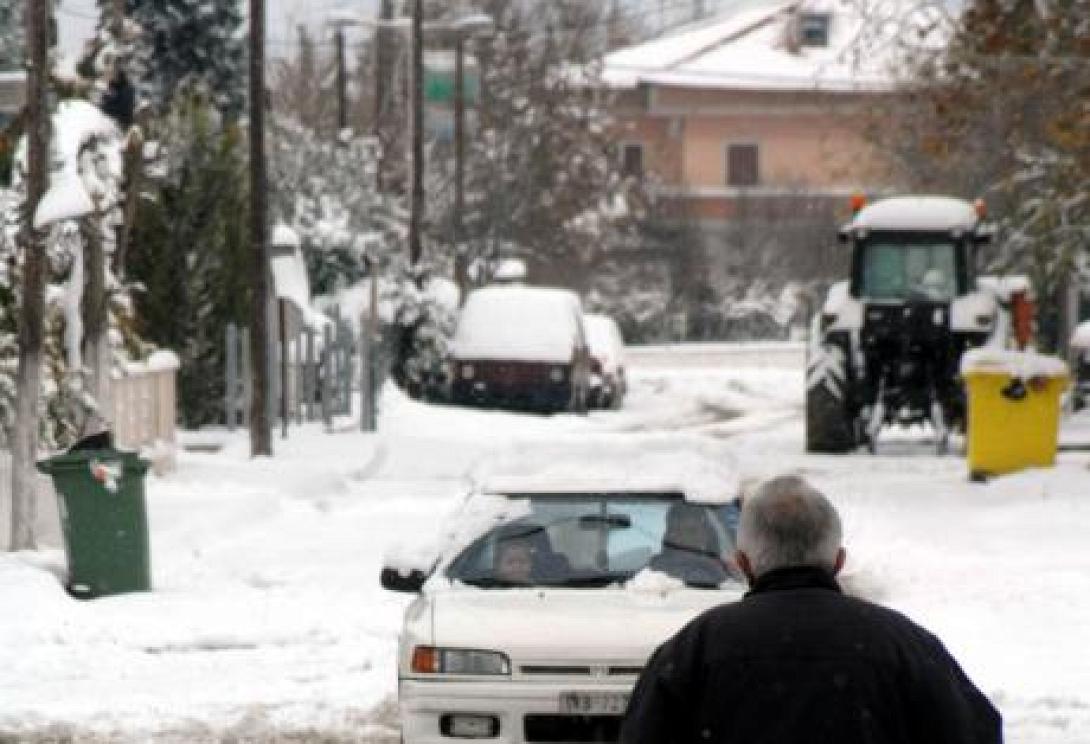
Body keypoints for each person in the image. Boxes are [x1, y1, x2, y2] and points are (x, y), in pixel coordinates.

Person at [621, 475, 1002, 744]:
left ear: (743, 563)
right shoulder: (904, 646)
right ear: (838, 561)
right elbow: (975, 732)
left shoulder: (694, 650)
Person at [647, 502, 730, 587]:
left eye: (703, 528)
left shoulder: (723, 568)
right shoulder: (662, 570)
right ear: (671, 534)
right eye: (692, 530)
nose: (701, 535)